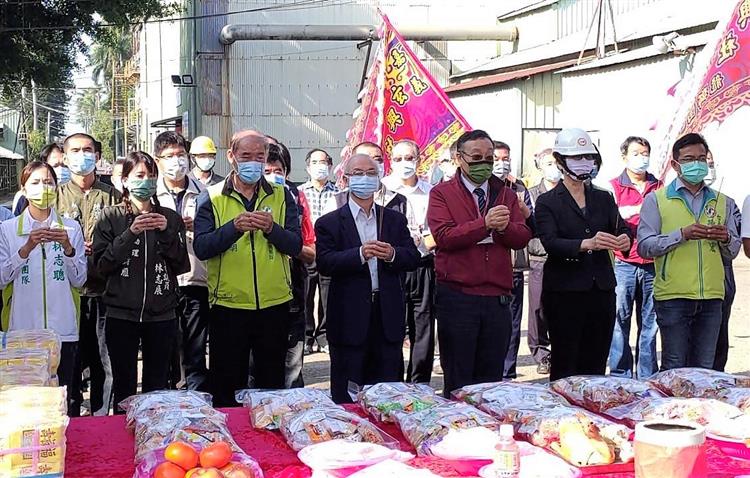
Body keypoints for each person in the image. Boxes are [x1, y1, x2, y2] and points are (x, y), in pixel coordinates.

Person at [193, 130, 302, 407]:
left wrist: (271, 229)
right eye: (246, 156)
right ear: (231, 157)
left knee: (271, 386)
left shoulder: (281, 194)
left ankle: (270, 445)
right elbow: (203, 247)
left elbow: (294, 244)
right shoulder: (211, 197)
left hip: (274, 303)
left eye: (259, 156)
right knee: (227, 385)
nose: (253, 162)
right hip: (228, 305)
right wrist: (234, 228)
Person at [427, 129, 532, 397]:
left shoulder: (506, 193)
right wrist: (483, 225)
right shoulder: (442, 193)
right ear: (459, 158)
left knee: (491, 379)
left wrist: (504, 226)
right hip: (459, 296)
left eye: (488, 158)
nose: (483, 163)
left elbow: (522, 237)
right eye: (476, 157)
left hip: (497, 296)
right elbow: (444, 236)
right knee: (459, 376)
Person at [316, 153, 419, 403]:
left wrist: (393, 254)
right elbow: (325, 263)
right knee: (348, 395)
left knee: (389, 394)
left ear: (379, 177)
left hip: (387, 317)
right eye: (358, 173)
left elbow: (412, 257)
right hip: (349, 318)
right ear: (346, 178)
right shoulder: (329, 223)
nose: (365, 179)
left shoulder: (393, 219)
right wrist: (359, 254)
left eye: (371, 173)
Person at [93, 151, 189, 411]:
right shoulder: (110, 217)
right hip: (120, 313)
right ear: (124, 181)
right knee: (123, 382)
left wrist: (166, 232)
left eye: (151, 176)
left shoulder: (169, 217)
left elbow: (182, 265)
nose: (146, 181)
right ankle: (121, 437)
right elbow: (101, 267)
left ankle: (154, 434)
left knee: (157, 382)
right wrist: (130, 233)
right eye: (139, 176)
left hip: (162, 314)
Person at [638, 133, 740, 370]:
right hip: (674, 296)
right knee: (674, 367)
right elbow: (645, 247)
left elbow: (734, 251)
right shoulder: (657, 200)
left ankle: (698, 409)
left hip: (712, 297)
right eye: (689, 158)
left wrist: (725, 237)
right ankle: (672, 408)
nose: (697, 164)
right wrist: (681, 235)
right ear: (675, 164)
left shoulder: (722, 201)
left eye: (702, 158)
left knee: (704, 368)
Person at [535, 128, 631, 381]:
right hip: (565, 292)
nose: (584, 163)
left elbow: (620, 227)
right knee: (566, 361)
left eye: (588, 157)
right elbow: (550, 242)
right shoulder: (547, 201)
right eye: (576, 158)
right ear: (560, 161)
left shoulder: (603, 197)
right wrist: (585, 243)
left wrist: (624, 239)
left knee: (596, 361)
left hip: (601, 289)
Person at [0, 161, 87, 415]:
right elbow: (2, 278)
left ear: (56, 187)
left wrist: (69, 249)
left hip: (63, 332)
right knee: (25, 404)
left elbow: (80, 279)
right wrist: (25, 249)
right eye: (35, 183)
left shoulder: (71, 228)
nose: (43, 188)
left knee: (64, 402)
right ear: (24, 190)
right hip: (22, 332)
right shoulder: (7, 230)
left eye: (48, 182)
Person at [58, 132, 121, 416]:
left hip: (104, 290)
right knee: (68, 360)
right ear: (65, 156)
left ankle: (100, 415)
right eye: (75, 150)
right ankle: (69, 414)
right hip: (66, 294)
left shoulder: (114, 196)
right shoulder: (54, 195)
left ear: (97, 155)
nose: (81, 156)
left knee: (104, 360)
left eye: (87, 150)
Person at [153, 131, 210, 391]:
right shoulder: (150, 195)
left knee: (195, 352)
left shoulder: (206, 194)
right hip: (160, 283)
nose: (177, 161)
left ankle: (197, 403)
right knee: (164, 351)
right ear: (158, 160)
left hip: (196, 279)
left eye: (180, 155)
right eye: (169, 156)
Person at [607, 136, 663, 379]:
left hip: (653, 264)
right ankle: (620, 373)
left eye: (645, 153)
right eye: (636, 153)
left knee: (650, 323)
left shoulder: (660, 187)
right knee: (620, 321)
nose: (642, 158)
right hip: (624, 264)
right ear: (624, 157)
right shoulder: (612, 187)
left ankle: (647, 375)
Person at [381, 139, 436, 383]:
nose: (404, 163)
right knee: (391, 325)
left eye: (409, 158)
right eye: (398, 158)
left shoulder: (431, 191)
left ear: (419, 160)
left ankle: (419, 383)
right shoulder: (381, 191)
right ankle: (391, 384)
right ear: (390, 162)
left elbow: (440, 229)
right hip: (391, 266)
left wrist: (424, 240)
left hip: (423, 264)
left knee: (423, 327)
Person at [264, 143, 316, 388]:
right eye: (266, 170)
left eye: (278, 170)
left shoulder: (296, 198)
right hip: (257, 295)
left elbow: (309, 249)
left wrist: (285, 242)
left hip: (292, 285)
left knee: (293, 362)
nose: (273, 176)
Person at [492, 141, 534, 380]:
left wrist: (522, 209)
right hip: (488, 267)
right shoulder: (484, 190)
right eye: (496, 159)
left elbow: (529, 224)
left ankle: (508, 372)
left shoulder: (518, 188)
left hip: (514, 265)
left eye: (505, 158)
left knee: (513, 322)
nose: (501, 163)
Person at [299, 149, 338, 355]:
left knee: (327, 294)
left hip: (329, 249)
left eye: (323, 162)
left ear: (330, 166)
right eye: (315, 162)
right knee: (306, 293)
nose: (319, 166)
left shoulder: (338, 191)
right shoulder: (300, 192)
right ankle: (306, 336)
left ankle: (323, 335)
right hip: (307, 249)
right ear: (308, 167)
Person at [526, 148, 560, 375]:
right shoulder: (530, 194)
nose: (553, 168)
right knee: (538, 308)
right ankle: (540, 352)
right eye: (548, 163)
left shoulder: (571, 192)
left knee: (561, 308)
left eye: (556, 163)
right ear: (540, 167)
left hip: (565, 257)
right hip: (540, 257)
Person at [708, 151, 739, 372]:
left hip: (720, 277)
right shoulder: (665, 200)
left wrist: (726, 237)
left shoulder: (726, 203)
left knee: (718, 335)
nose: (702, 166)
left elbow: (737, 245)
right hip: (681, 286)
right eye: (692, 160)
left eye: (707, 161)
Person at [13, 143, 70, 216]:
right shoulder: (25, 197)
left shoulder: (77, 194)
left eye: (64, 166)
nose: (61, 169)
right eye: (55, 166)